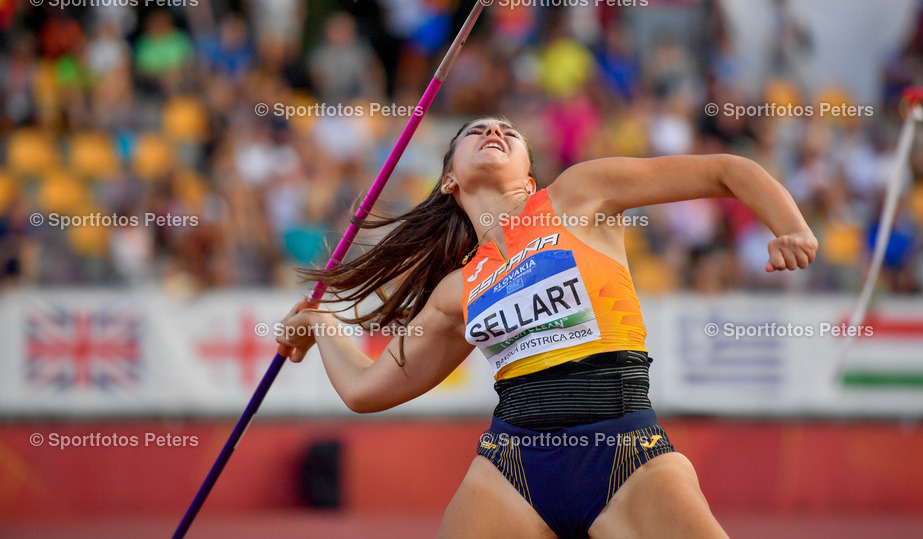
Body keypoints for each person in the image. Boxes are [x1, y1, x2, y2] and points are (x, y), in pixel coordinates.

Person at [276, 117, 818, 538]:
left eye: (508, 131)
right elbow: (366, 389)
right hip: (511, 467)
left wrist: (791, 228)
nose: (494, 131)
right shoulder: (455, 292)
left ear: (529, 176)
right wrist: (322, 323)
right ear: (449, 180)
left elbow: (727, 170)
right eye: (476, 131)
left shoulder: (578, 195)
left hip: (625, 451)